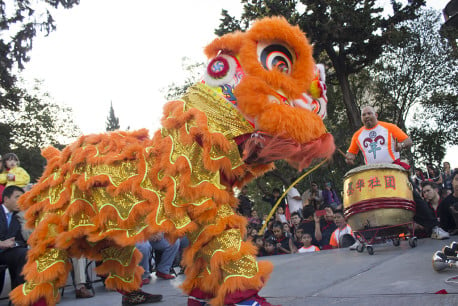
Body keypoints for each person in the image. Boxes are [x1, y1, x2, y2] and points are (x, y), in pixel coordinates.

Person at [345, 105, 449, 240]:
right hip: (373, 177)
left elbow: (408, 141)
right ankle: (364, 239)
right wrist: (350, 158)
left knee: (412, 198)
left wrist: (400, 146)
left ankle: (434, 228)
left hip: (394, 171)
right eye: (364, 115)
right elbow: (351, 153)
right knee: (371, 205)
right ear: (361, 118)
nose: (367, 117)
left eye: (369, 113)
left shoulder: (389, 127)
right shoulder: (357, 135)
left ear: (375, 115)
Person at [0, 186, 28, 289]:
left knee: (25, 253)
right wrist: (1, 243)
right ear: (6, 199)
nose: (20, 201)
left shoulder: (18, 216)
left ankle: (19, 295)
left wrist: (13, 244)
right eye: (17, 197)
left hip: (8, 252)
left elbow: (23, 240)